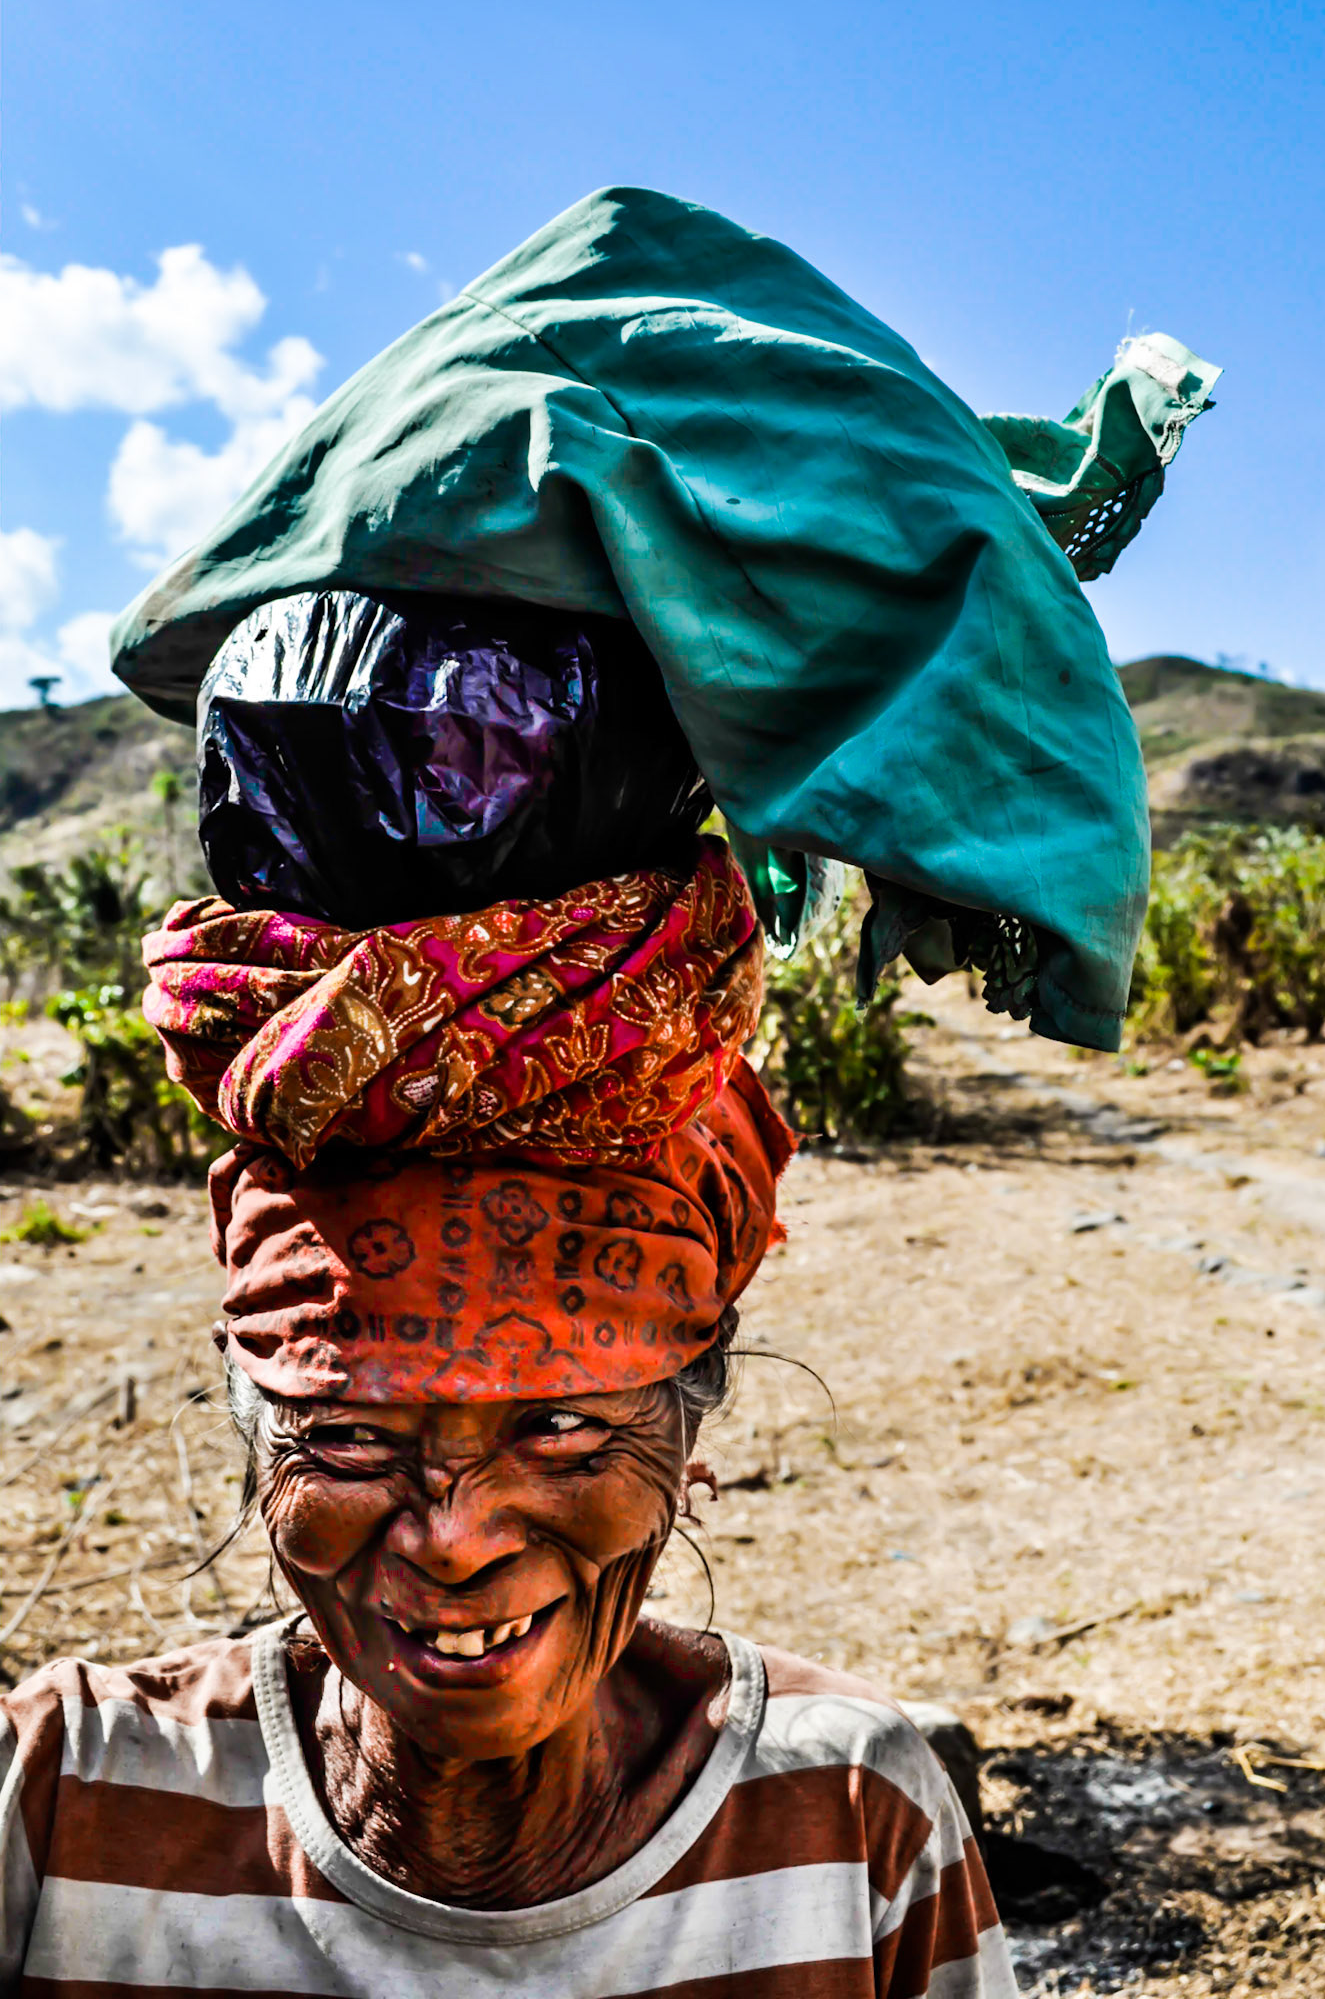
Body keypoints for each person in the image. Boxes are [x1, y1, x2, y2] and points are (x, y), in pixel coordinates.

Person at [0, 835, 1019, 1994]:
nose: (454, 1538)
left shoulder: (846, 1813)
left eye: (561, 1428)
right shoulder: (61, 1799)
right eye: (349, 1437)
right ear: (256, 1442)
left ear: (686, 1432)